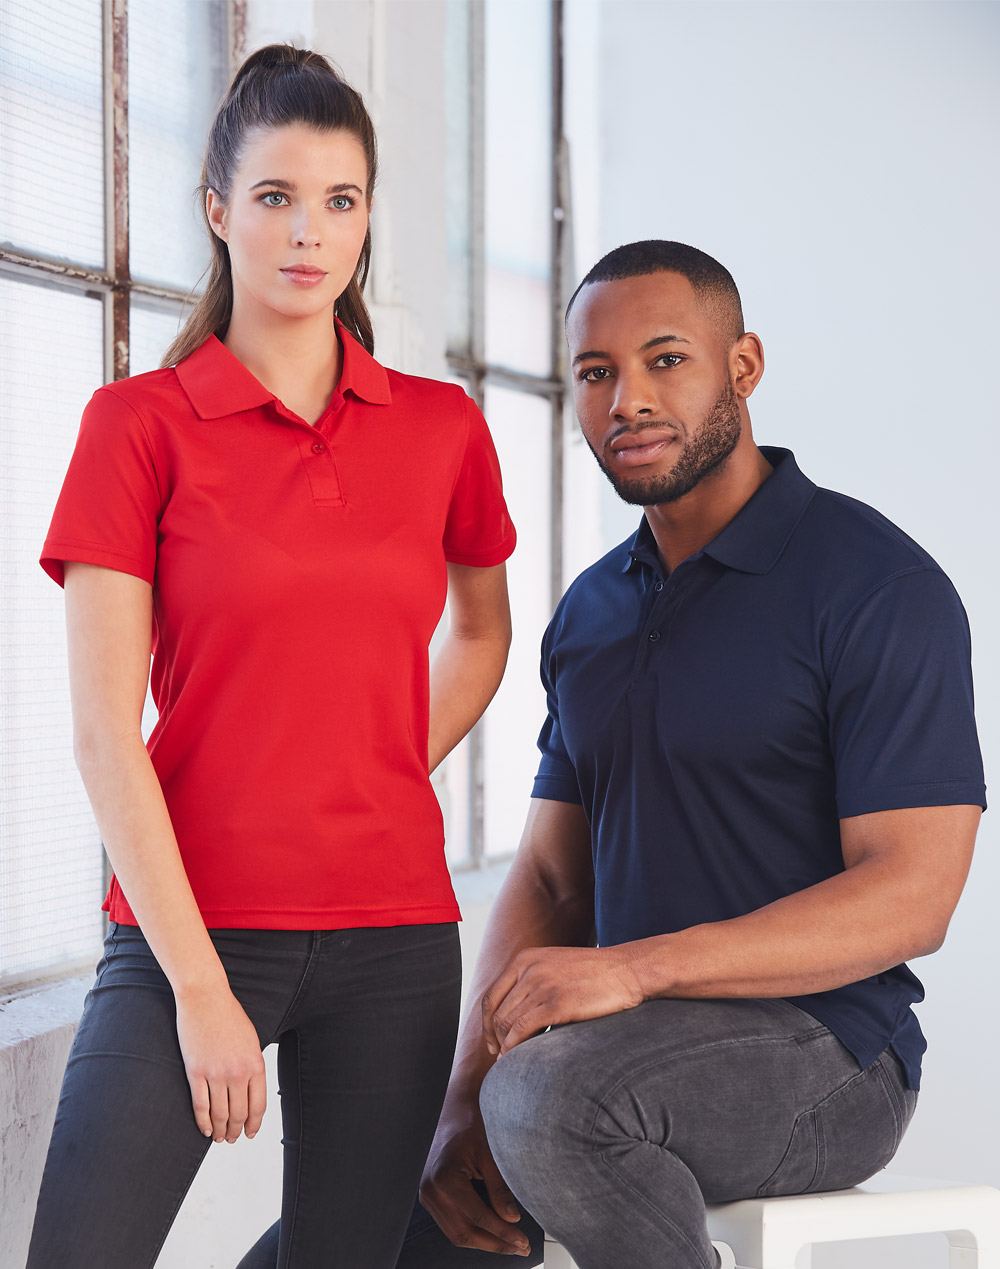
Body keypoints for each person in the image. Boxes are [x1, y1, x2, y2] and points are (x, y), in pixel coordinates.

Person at [394, 240, 985, 1269]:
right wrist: (461, 1097)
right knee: (346, 1229)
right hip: (612, 1055)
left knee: (545, 1099)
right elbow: (551, 879)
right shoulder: (591, 612)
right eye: (596, 372)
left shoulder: (877, 586)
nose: (627, 400)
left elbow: (913, 895)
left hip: (830, 1052)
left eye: (665, 360)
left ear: (743, 367)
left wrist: (632, 972)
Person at [28, 45, 515, 1269]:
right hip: (188, 925)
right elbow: (102, 734)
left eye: (339, 201)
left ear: (366, 218)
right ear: (216, 210)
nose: (309, 232)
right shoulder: (136, 427)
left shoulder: (442, 428)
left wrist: (374, 759)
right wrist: (199, 991)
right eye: (276, 197)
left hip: (393, 937)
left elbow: (484, 629)